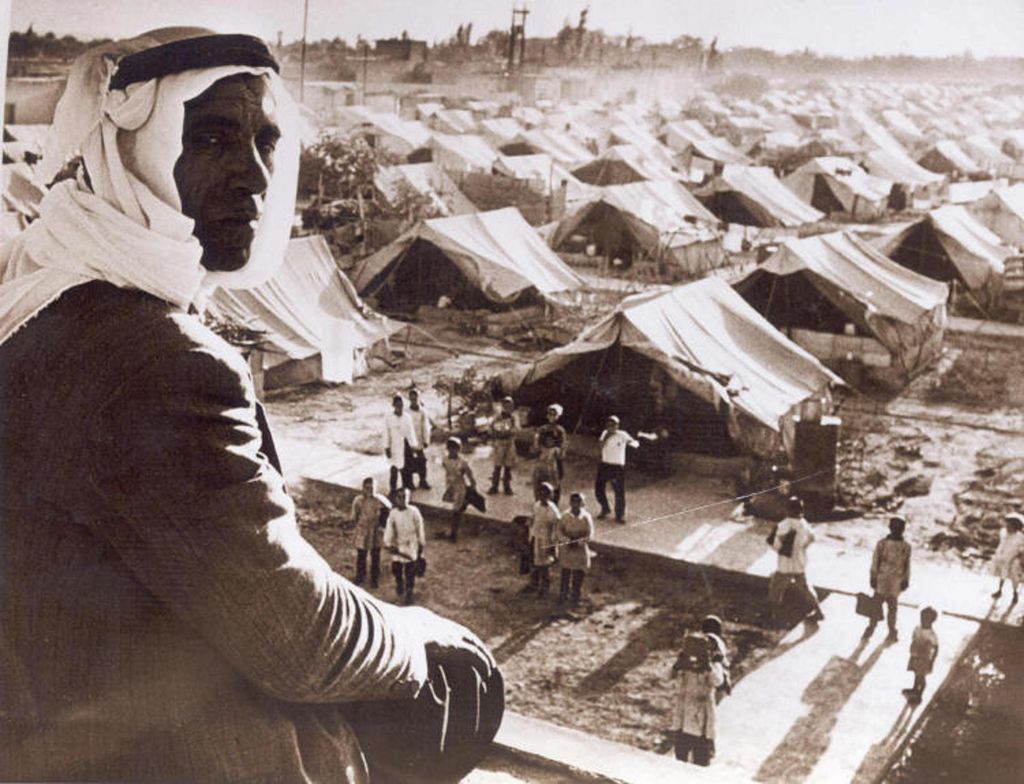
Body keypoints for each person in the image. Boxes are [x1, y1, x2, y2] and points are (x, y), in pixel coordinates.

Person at [0, 30, 501, 783]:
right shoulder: (157, 360)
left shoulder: (44, 286)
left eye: (267, 141)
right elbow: (297, 640)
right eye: (210, 136)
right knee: (463, 683)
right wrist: (418, 632)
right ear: (126, 151)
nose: (255, 176)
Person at [671, 622, 728, 767]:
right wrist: (678, 664)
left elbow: (718, 681)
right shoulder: (686, 666)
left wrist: (708, 666)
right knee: (680, 761)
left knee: (700, 763)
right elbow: (670, 676)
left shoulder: (713, 665)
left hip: (701, 720)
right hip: (684, 719)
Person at [768, 497, 825, 627]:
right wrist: (803, 547)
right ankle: (819, 611)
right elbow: (812, 537)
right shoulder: (803, 523)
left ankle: (775, 615)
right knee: (806, 587)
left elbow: (776, 546)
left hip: (785, 565)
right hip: (799, 562)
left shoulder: (783, 525)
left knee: (775, 589)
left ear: (787, 509)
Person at [864, 516, 912, 642]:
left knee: (892, 608)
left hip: (896, 582)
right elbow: (875, 561)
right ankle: (871, 627)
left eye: (899, 528)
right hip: (882, 579)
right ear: (890, 528)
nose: (896, 530)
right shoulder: (882, 544)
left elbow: (907, 565)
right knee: (876, 606)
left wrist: (905, 580)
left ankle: (892, 630)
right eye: (894, 528)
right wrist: (873, 577)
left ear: (903, 530)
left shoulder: (906, 547)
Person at [383, 488, 427, 606]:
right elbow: (389, 528)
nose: (402, 499)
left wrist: (421, 545)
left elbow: (420, 528)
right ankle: (399, 583)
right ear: (396, 499)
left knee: (410, 571)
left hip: (411, 544)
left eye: (405, 497)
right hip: (398, 543)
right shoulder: (393, 513)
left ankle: (409, 591)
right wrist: (387, 542)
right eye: (400, 497)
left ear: (409, 498)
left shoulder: (414, 511)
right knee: (396, 568)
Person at [595, 415, 639, 523]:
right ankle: (605, 508)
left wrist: (630, 443)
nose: (611, 427)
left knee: (618, 491)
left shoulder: (622, 434)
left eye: (614, 425)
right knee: (599, 489)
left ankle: (620, 515)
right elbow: (600, 445)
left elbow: (635, 443)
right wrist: (606, 437)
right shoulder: (604, 433)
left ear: (617, 426)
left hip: (617, 466)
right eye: (609, 424)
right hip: (605, 464)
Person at [351, 476, 391, 587]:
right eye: (367, 488)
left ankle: (374, 578)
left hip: (375, 530)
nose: (369, 491)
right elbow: (355, 515)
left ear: (376, 488)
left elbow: (388, 511)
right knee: (361, 554)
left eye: (372, 488)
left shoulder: (381, 500)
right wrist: (358, 526)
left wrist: (383, 524)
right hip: (363, 529)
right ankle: (360, 575)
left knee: (375, 554)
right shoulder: (358, 500)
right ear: (363, 488)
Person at [557, 492, 595, 605]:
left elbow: (590, 533)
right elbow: (558, 531)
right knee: (566, 570)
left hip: (579, 548)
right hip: (567, 547)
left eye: (579, 502)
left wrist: (580, 542)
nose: (576, 504)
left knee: (579, 570)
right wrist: (566, 540)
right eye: (574, 502)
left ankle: (575, 595)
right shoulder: (565, 516)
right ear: (570, 503)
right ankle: (563, 594)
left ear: (582, 503)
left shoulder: (586, 517)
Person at [525, 482, 560, 597]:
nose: (543, 495)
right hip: (535, 536)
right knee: (533, 561)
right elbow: (533, 518)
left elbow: (556, 528)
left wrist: (553, 545)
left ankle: (544, 588)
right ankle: (533, 583)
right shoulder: (536, 505)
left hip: (546, 539)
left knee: (544, 564)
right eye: (541, 492)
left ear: (551, 495)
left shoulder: (553, 510)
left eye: (546, 493)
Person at [441, 436, 476, 542]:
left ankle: (453, 533)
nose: (452, 451)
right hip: (450, 485)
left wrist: (473, 485)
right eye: (450, 448)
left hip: (459, 486)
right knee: (455, 505)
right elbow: (446, 469)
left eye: (454, 449)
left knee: (456, 510)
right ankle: (464, 504)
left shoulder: (462, 462)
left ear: (458, 449)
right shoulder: (445, 459)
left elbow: (470, 474)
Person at [384, 393, 419, 495]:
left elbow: (411, 432)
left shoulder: (407, 417)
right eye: (397, 405)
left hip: (405, 445)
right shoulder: (388, 417)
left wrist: (413, 446)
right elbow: (386, 433)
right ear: (393, 405)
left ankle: (406, 488)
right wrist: (387, 447)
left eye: (401, 405)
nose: (400, 407)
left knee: (406, 468)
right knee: (394, 468)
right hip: (394, 446)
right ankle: (393, 489)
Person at [903, 606, 939, 704]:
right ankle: (914, 689)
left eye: (927, 619)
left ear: (932, 621)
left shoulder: (932, 634)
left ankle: (919, 695)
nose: (923, 620)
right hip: (916, 656)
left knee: (921, 677)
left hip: (924, 659)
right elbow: (914, 639)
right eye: (922, 618)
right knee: (916, 674)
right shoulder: (917, 628)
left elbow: (936, 648)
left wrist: (932, 661)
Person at [488, 396, 518, 496]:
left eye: (509, 405)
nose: (507, 407)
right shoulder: (497, 417)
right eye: (505, 405)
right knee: (497, 466)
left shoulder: (513, 417)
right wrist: (496, 434)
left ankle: (507, 486)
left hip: (509, 443)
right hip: (499, 443)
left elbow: (516, 430)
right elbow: (492, 428)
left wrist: (508, 432)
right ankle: (494, 486)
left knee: (508, 466)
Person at [991, 512, 1024, 604]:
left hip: (1013, 559)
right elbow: (1001, 543)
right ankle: (999, 590)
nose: (1008, 526)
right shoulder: (1003, 532)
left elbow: (1021, 551)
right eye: (1007, 524)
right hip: (1004, 557)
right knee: (1002, 574)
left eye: (1010, 525)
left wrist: (1021, 560)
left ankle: (1015, 593)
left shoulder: (1020, 537)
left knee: (1014, 577)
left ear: (1016, 526)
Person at [534, 403, 568, 481]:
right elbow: (537, 442)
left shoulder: (560, 430)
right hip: (544, 456)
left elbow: (562, 444)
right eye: (550, 414)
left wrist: (557, 450)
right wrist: (540, 448)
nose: (551, 417)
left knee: (557, 476)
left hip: (555, 457)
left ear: (558, 417)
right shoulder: (542, 429)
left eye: (554, 415)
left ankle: (556, 491)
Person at [407, 387, 432, 490]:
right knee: (409, 462)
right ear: (409, 399)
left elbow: (426, 426)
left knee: (422, 461)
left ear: (419, 398)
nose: (414, 400)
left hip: (419, 441)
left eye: (416, 398)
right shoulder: (406, 412)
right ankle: (409, 483)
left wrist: (426, 440)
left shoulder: (423, 412)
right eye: (412, 398)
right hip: (409, 442)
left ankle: (423, 481)